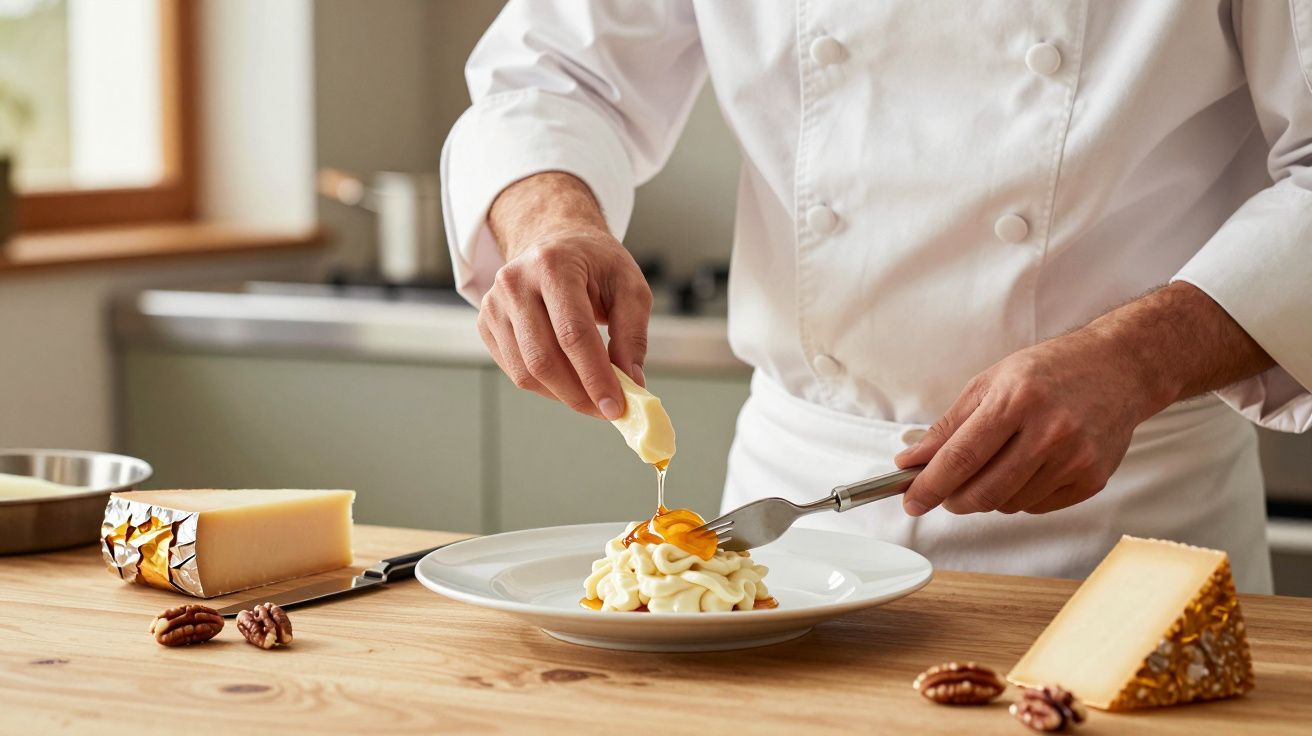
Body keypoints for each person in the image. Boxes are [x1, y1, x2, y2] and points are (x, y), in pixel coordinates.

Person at [441, 1, 1312, 593]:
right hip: (787, 526)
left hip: (1125, 531)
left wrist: (1136, 359)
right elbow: (552, 71)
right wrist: (551, 219)